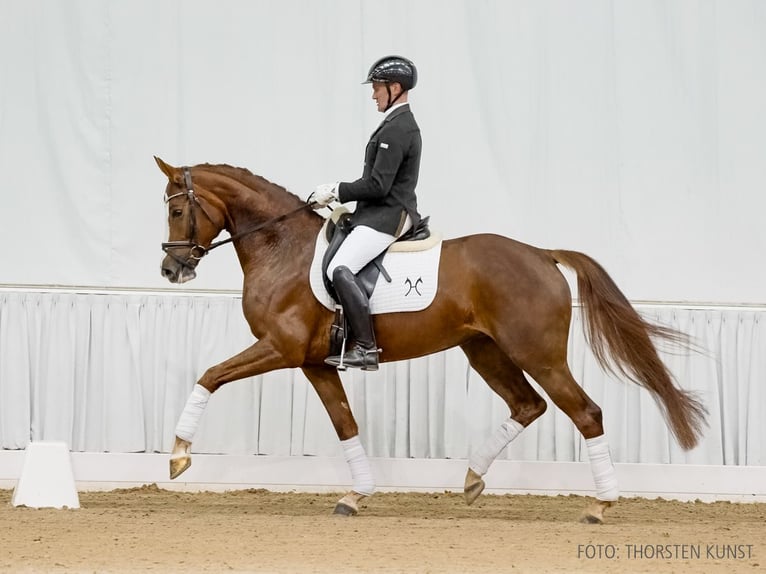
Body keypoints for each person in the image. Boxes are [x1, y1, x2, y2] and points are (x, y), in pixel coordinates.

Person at [309, 55, 423, 371]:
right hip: (377, 213)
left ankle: (366, 347)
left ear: (395, 87)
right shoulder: (393, 124)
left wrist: (336, 190)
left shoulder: (398, 129)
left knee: (339, 267)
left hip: (388, 215)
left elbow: (377, 185)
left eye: (377, 88)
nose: (373, 94)